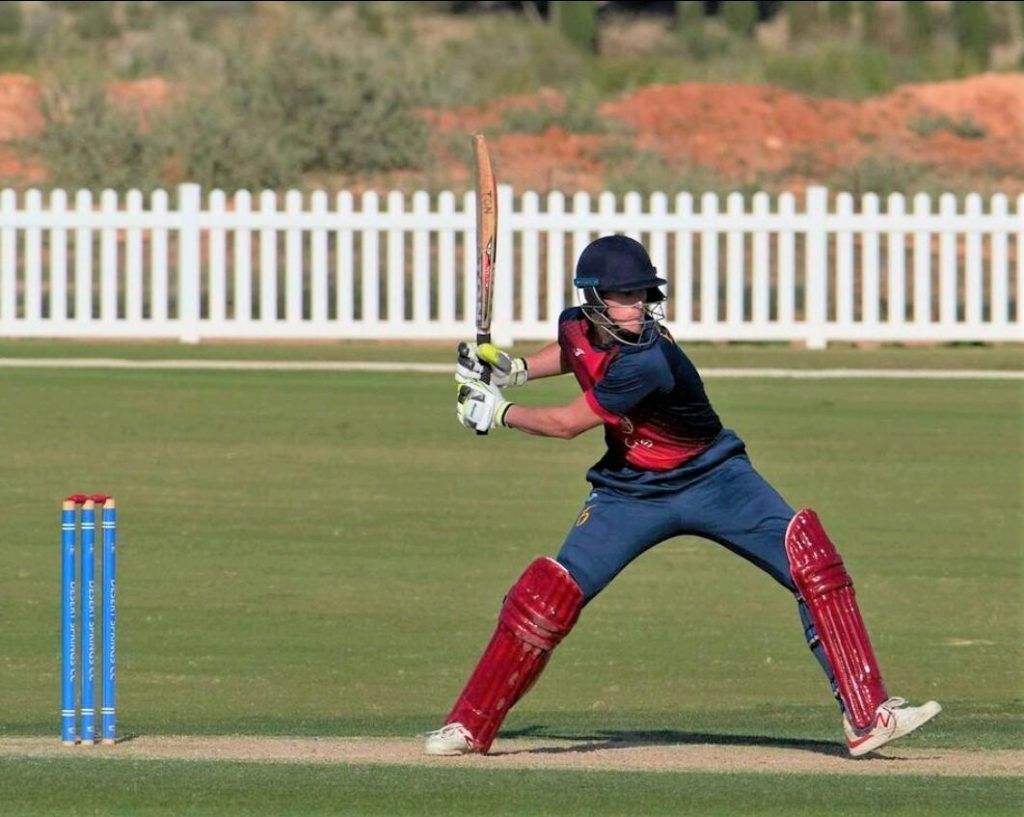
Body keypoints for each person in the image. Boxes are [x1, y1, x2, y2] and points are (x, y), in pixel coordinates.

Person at [426, 234, 940, 758]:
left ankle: (867, 714)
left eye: (644, 295)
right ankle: (469, 727)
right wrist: (514, 370)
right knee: (546, 597)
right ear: (594, 300)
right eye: (626, 296)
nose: (639, 307)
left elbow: (565, 425)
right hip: (630, 492)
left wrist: (498, 411)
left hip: (716, 478)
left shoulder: (648, 360)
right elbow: (571, 351)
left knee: (813, 563)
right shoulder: (573, 323)